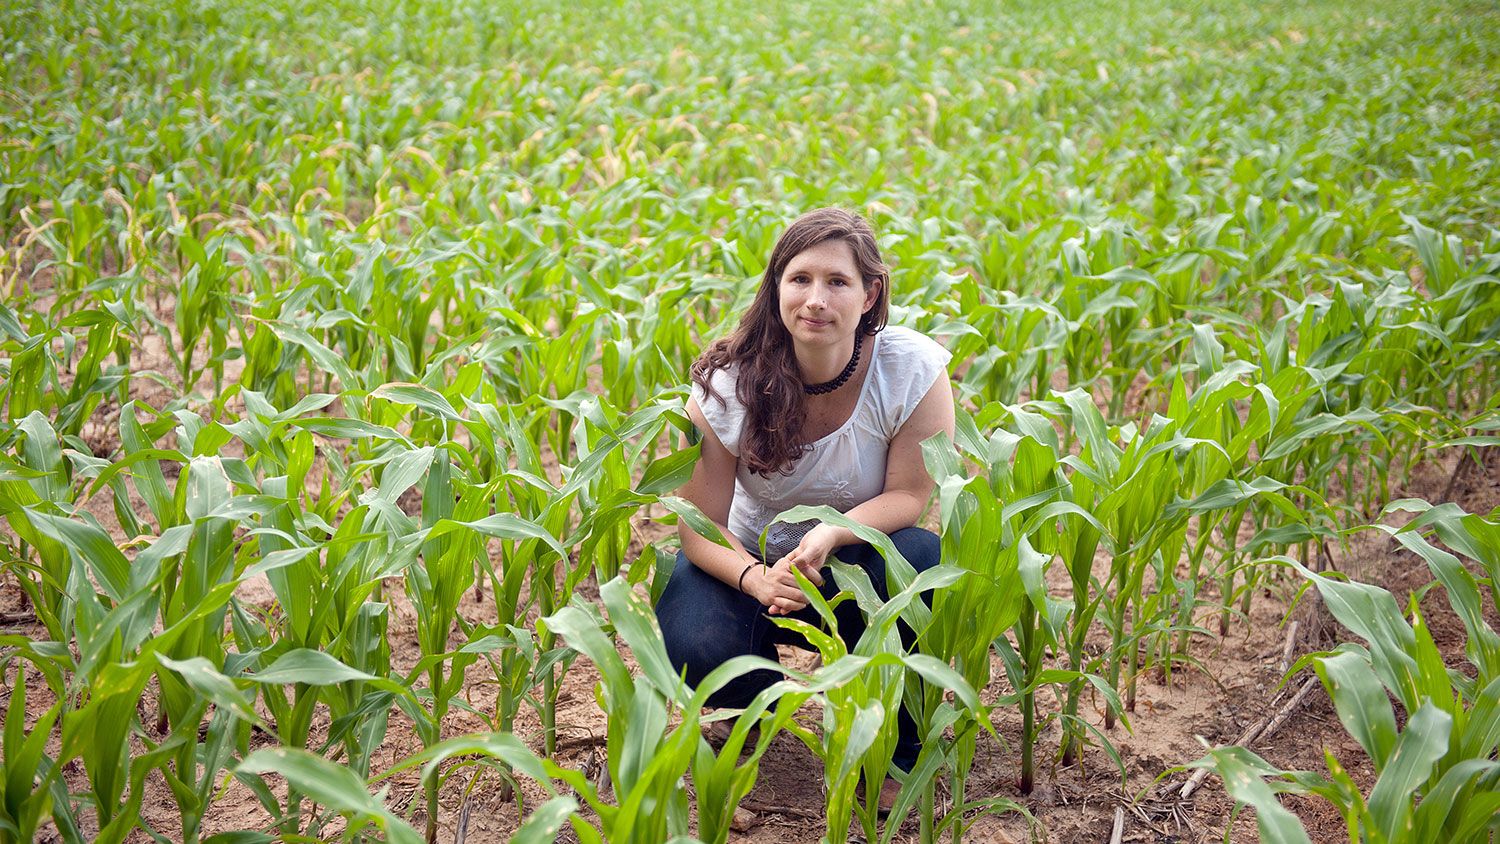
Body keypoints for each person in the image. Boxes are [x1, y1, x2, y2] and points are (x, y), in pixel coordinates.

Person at [654, 207, 955, 810]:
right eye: (800, 279)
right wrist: (756, 578)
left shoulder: (909, 369)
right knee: (690, 629)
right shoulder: (728, 384)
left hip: (855, 558)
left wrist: (828, 537)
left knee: (918, 564)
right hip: (750, 561)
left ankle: (894, 744)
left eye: (838, 282)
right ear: (777, 288)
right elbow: (700, 523)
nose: (816, 299)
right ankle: (755, 706)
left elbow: (911, 495)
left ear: (870, 294)